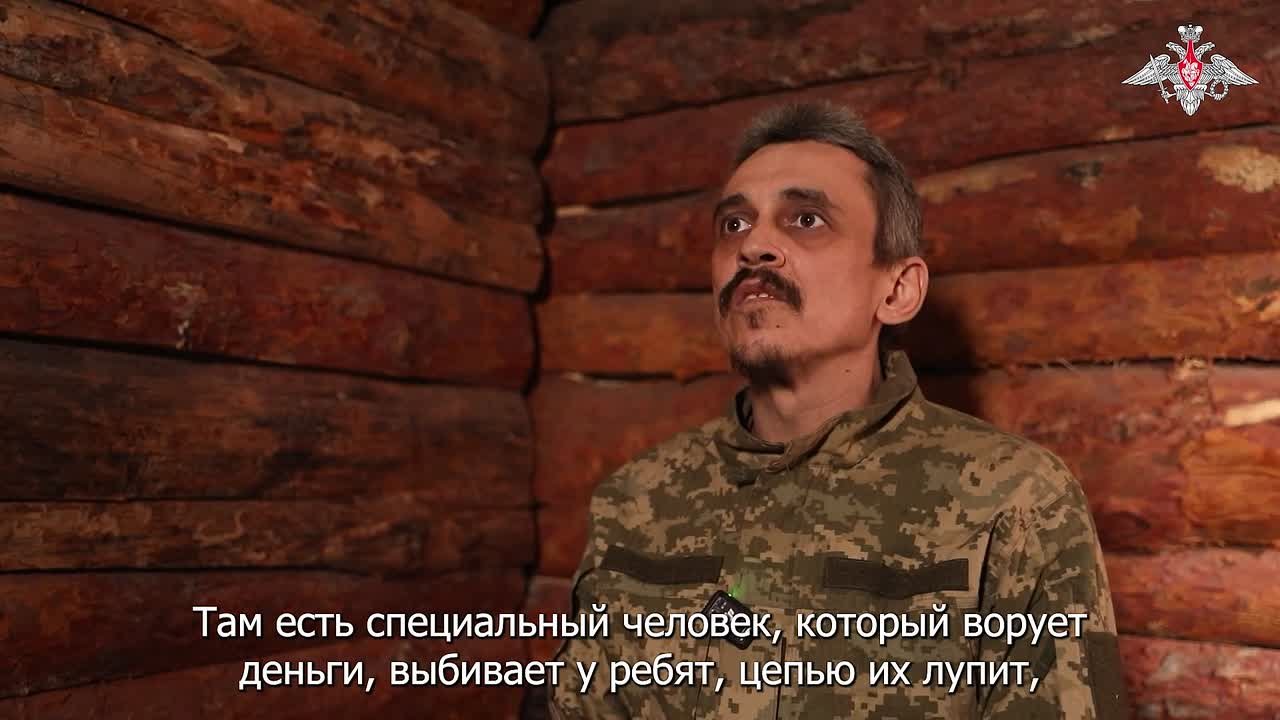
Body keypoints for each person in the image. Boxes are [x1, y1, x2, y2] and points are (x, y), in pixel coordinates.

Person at [548, 101, 1127, 719]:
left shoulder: (1016, 500)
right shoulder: (637, 500)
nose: (754, 247)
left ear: (897, 289)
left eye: (806, 219)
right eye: (734, 225)